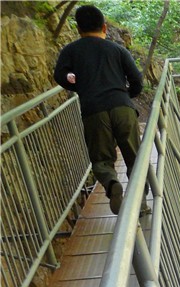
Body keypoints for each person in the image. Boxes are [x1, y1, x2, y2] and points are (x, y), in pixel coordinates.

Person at [53, 5, 144, 215]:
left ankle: (112, 183)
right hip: (122, 107)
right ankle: (142, 204)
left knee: (102, 159)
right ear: (104, 26)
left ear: (78, 29)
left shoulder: (71, 51)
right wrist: (125, 97)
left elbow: (60, 75)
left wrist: (78, 86)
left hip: (94, 110)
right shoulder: (117, 49)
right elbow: (137, 80)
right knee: (135, 158)